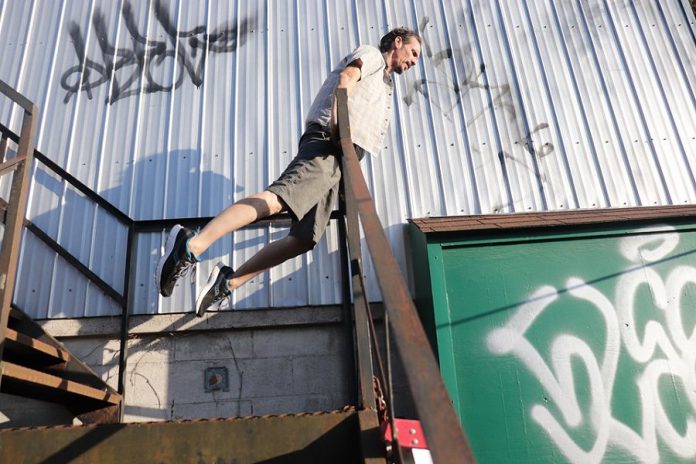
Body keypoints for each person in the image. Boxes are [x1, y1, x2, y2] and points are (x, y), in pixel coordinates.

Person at [156, 27, 422, 316]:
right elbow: (346, 79)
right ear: (397, 42)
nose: (413, 62)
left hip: (338, 160)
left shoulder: (386, 83)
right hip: (329, 145)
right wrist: (337, 129)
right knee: (277, 199)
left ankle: (227, 283)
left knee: (304, 238)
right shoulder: (372, 56)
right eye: (413, 53)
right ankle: (190, 245)